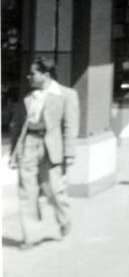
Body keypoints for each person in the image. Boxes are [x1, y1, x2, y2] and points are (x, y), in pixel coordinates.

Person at [9, 57, 79, 249]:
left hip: (52, 147)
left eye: (33, 73)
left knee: (53, 190)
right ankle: (31, 237)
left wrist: (69, 153)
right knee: (27, 191)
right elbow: (17, 125)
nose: (28, 76)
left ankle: (64, 220)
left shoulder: (66, 95)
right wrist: (14, 151)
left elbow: (70, 125)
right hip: (29, 144)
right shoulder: (28, 96)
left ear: (46, 75)